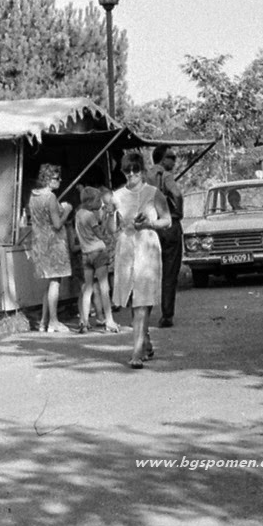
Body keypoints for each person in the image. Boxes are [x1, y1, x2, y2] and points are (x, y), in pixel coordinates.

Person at [112, 151, 171, 368]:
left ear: (142, 171)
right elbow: (111, 228)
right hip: (126, 248)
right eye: (127, 170)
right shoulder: (117, 196)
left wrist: (149, 224)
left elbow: (167, 220)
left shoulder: (154, 193)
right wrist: (109, 213)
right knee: (131, 299)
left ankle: (136, 353)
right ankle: (145, 339)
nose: (131, 174)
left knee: (142, 302)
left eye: (135, 170)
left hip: (147, 247)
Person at [28, 163, 73, 333]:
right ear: (47, 179)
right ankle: (53, 321)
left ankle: (43, 322)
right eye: (56, 178)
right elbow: (57, 224)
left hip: (39, 242)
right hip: (53, 243)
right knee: (55, 281)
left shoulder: (34, 196)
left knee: (49, 281)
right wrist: (67, 210)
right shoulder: (50, 197)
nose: (59, 181)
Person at [145, 145, 184, 328]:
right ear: (162, 159)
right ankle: (167, 315)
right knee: (169, 272)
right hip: (168, 224)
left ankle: (144, 313)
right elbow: (177, 194)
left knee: (149, 271)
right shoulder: (165, 176)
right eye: (171, 157)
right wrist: (178, 213)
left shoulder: (145, 176)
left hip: (150, 226)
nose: (174, 161)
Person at [74, 185, 119, 334]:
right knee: (104, 288)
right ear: (89, 202)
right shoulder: (91, 216)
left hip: (85, 254)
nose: (100, 203)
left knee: (88, 289)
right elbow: (100, 233)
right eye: (98, 200)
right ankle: (109, 320)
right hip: (98, 252)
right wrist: (109, 238)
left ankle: (84, 321)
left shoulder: (79, 214)